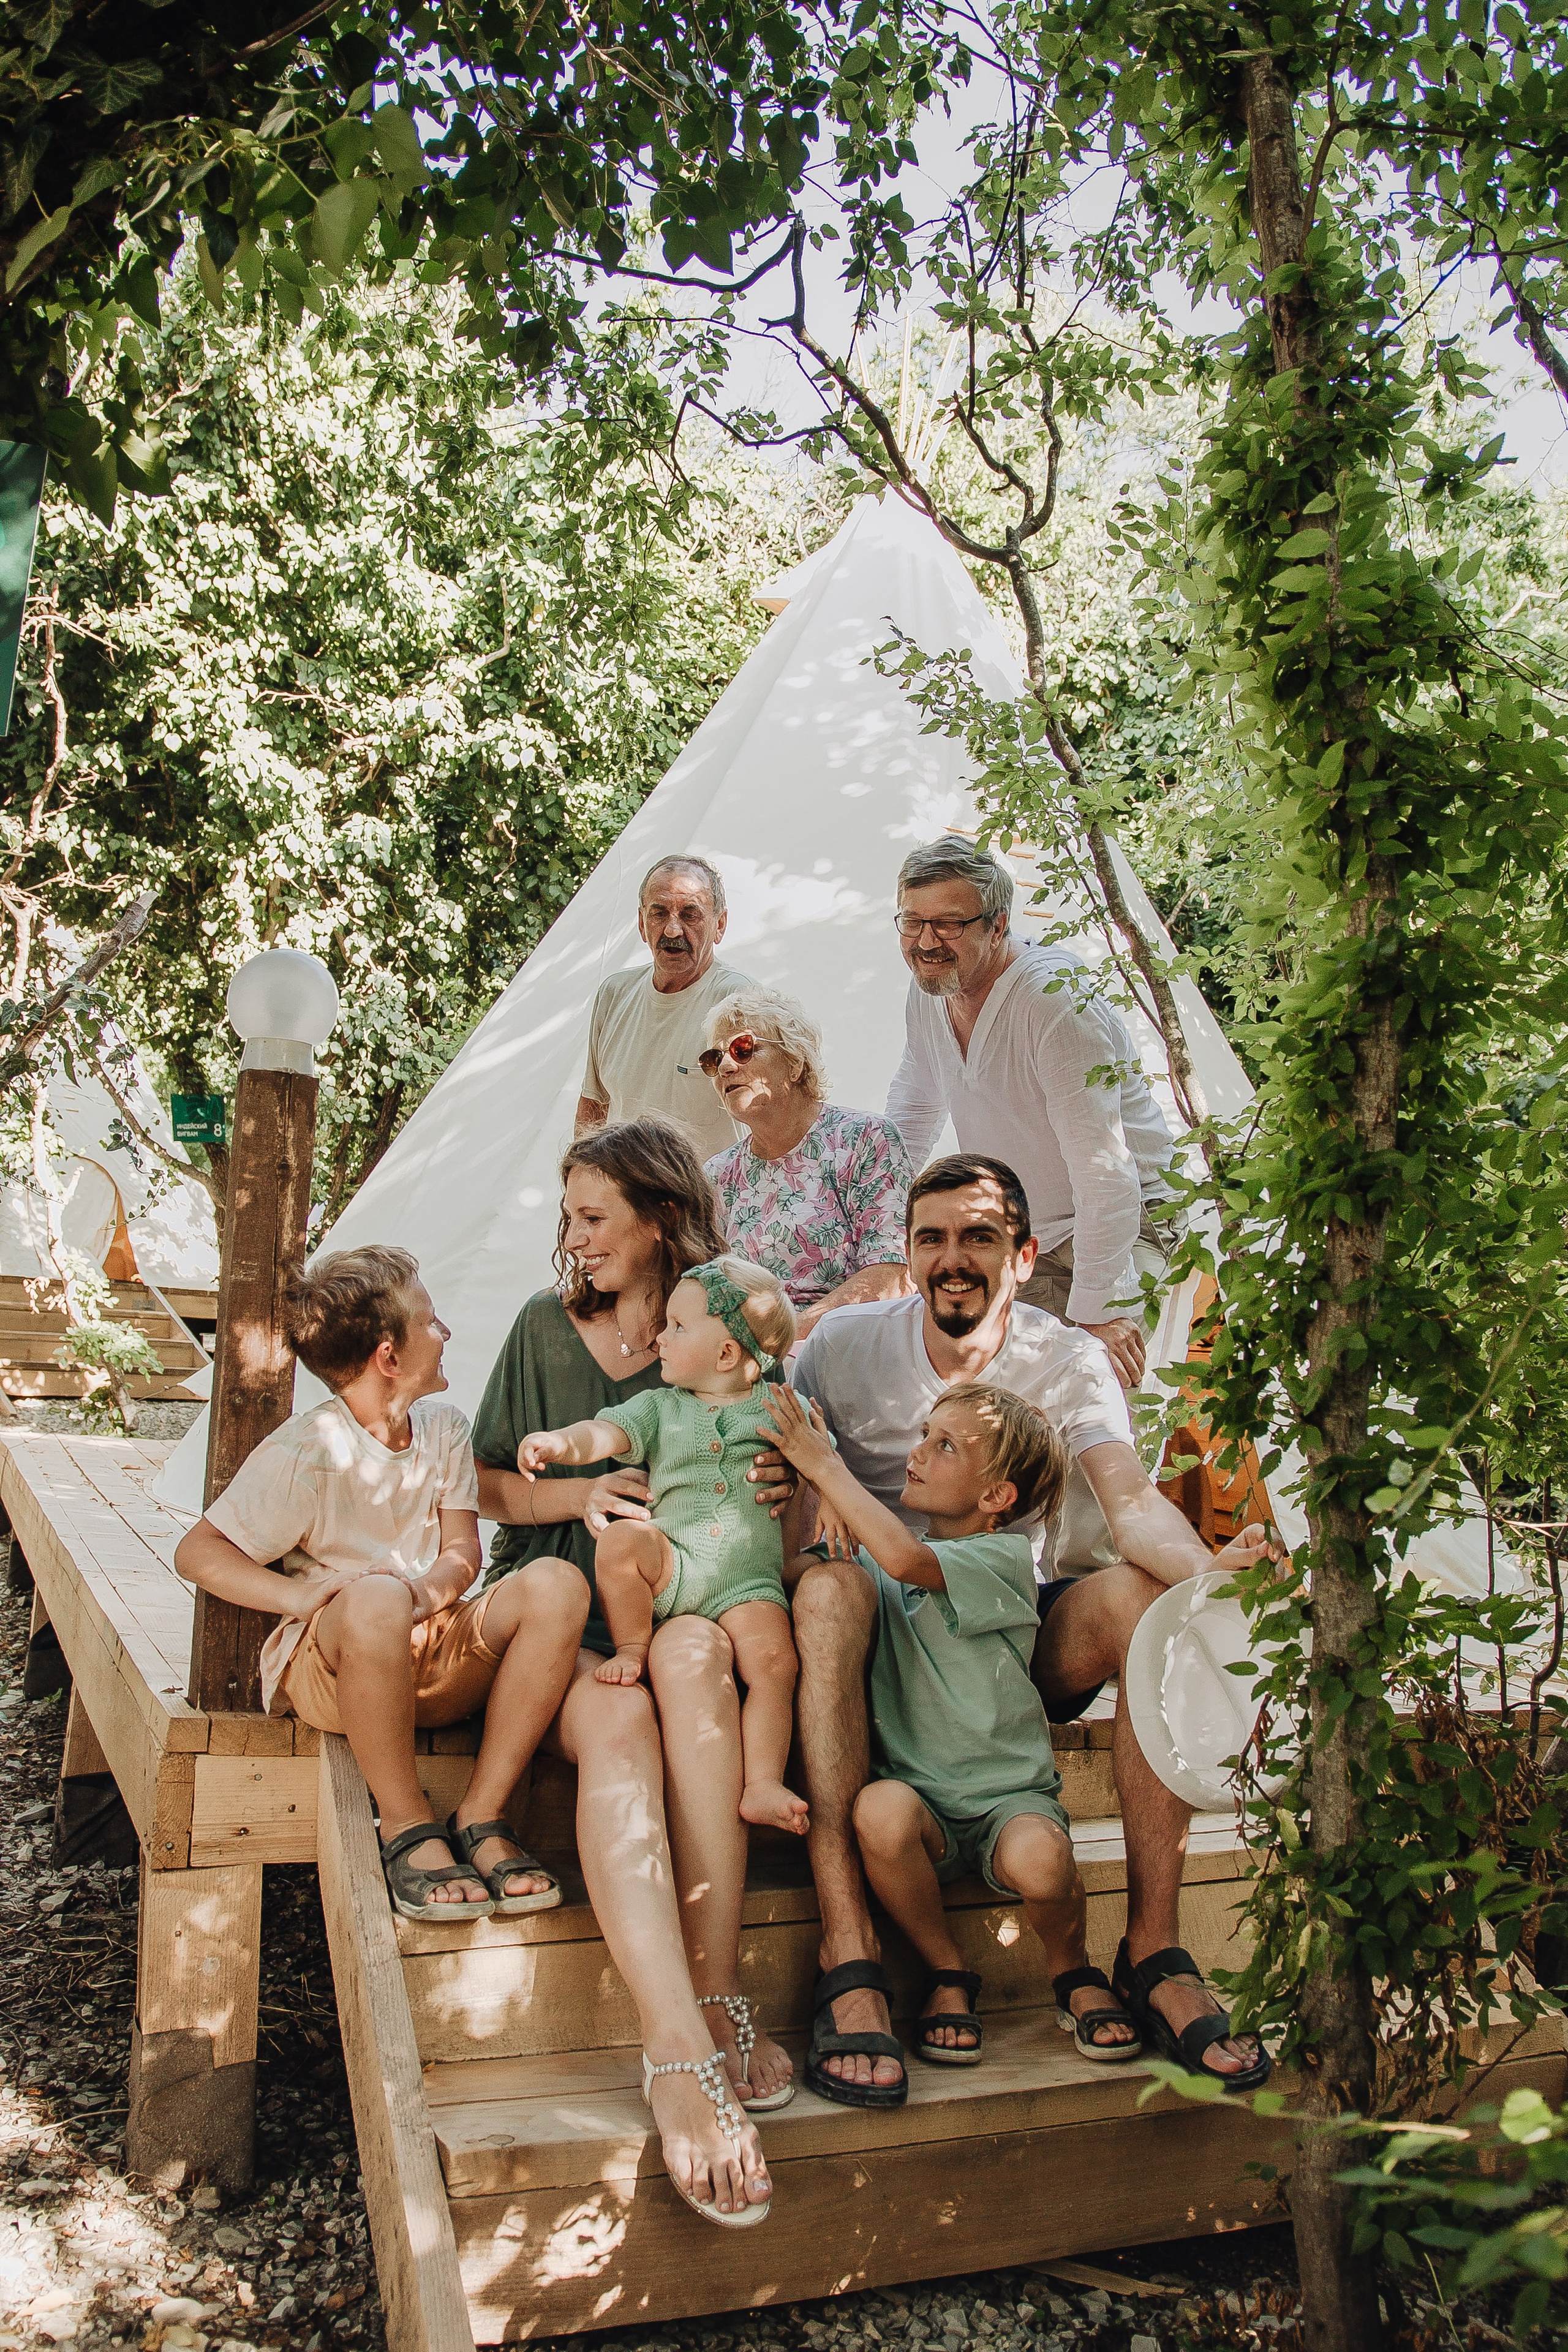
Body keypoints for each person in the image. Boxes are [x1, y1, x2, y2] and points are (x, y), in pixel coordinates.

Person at [785, 1153, 1273, 2106]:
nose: (952, 1259)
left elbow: (1131, 1505)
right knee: (825, 1593)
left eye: (979, 1237)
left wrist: (1208, 1579)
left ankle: (1153, 1948)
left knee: (1140, 1596)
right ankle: (850, 1945)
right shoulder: (843, 1347)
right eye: (932, 1238)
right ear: (908, 1253)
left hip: (1003, 1635)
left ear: (1023, 1256)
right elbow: (776, 1445)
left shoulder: (1066, 1357)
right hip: (879, 1634)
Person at [471, 1117, 796, 2222]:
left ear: (661, 1218)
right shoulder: (544, 1325)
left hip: (688, 1603)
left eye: (593, 1216)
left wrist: (786, 1490)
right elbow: (486, 1484)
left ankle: (721, 1984)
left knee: (698, 1670)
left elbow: (780, 1456)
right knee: (623, 1725)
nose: (575, 1237)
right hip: (561, 1621)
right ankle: (674, 2045)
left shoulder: (725, 1324)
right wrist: (581, 1494)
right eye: (570, 1218)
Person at [173, 1246, 584, 1926]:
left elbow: (462, 1551)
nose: (445, 1331)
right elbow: (198, 1551)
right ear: (389, 1357)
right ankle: (404, 1821)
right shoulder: (308, 1451)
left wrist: (420, 1598)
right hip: (338, 1668)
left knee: (557, 1584)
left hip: (431, 1652)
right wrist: (298, 1598)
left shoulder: (444, 1430)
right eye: (431, 1322)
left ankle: (483, 1813)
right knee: (375, 1598)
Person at [766, 1379, 1142, 2082]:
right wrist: (804, 1489)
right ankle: (946, 1968)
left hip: (1007, 1800)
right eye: (923, 1435)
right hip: (923, 1808)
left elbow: (909, 1562)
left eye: (945, 1446)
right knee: (876, 1812)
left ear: (996, 1496)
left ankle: (1070, 1969)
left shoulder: (1003, 1562)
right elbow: (790, 1577)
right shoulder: (877, 1559)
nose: (917, 1453)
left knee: (1043, 1863)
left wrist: (827, 1465)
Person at [518, 1254, 806, 1836]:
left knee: (776, 1664)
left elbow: (820, 1460)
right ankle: (633, 1646)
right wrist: (560, 1443)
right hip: (674, 1565)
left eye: (677, 1327)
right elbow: (605, 1432)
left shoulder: (779, 1409)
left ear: (727, 1355)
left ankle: (763, 1782)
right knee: (622, 1541)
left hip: (747, 1585)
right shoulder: (659, 1407)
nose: (660, 1339)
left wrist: (815, 1484)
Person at [885, 834, 1182, 1390]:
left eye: (948, 924)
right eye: (912, 922)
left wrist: (1100, 1308)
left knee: (1092, 1396)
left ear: (998, 925)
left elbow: (1103, 1168)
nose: (926, 942)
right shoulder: (930, 991)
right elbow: (914, 1109)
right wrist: (880, 1222)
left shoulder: (1052, 1002)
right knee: (1008, 1408)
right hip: (1028, 1230)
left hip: (1128, 1218)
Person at [702, 984, 913, 1341]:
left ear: (795, 1063)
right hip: (748, 1354)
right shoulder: (717, 1174)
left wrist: (788, 1338)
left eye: (743, 1048)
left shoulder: (864, 1138)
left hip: (851, 1346)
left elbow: (892, 1274)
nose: (724, 1066)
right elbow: (706, 1289)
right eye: (713, 1058)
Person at [576, 854, 755, 1161]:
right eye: (659, 914)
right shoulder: (614, 994)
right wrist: (579, 1180)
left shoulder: (740, 1001)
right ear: (642, 924)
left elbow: (772, 1115)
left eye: (690, 914)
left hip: (707, 1191)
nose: (672, 931)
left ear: (719, 925)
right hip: (627, 1189)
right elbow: (594, 1107)